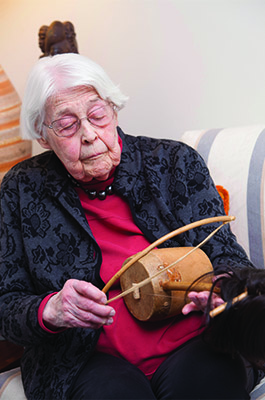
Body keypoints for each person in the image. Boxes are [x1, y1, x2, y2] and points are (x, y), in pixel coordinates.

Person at [0, 53, 260, 400]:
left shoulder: (173, 162)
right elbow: (6, 302)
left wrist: (221, 287)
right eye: (66, 125)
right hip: (85, 360)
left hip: (195, 342)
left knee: (207, 386)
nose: (90, 135)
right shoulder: (21, 189)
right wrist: (51, 309)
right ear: (43, 136)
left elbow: (228, 255)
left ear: (114, 110)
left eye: (97, 115)